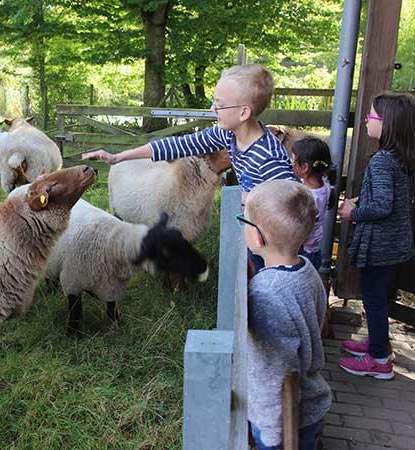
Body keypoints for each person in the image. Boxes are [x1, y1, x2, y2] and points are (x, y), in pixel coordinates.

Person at [82, 64, 295, 270]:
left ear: (243, 113)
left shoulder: (268, 158)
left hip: (275, 245)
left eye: (219, 105)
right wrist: (118, 158)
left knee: (266, 286)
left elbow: (291, 206)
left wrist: (245, 200)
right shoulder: (229, 134)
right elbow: (177, 145)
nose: (212, 109)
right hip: (253, 233)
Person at [242, 179, 331, 450]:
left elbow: (274, 372)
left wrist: (270, 435)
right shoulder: (306, 269)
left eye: (243, 219)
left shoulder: (266, 295)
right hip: (311, 401)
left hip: (284, 422)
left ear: (257, 236)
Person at [337, 92, 415, 380]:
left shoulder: (382, 160)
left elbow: (382, 206)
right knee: (378, 296)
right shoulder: (401, 157)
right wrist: (360, 198)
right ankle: (379, 343)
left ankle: (379, 359)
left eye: (371, 116)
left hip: (380, 245)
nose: (367, 120)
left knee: (373, 299)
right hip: (395, 244)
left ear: (388, 124)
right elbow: (390, 196)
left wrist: (351, 214)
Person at [289, 137, 336, 271]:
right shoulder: (324, 184)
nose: (291, 163)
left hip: (303, 252)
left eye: (293, 160)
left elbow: (299, 227)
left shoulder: (309, 197)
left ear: (304, 167)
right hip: (313, 250)